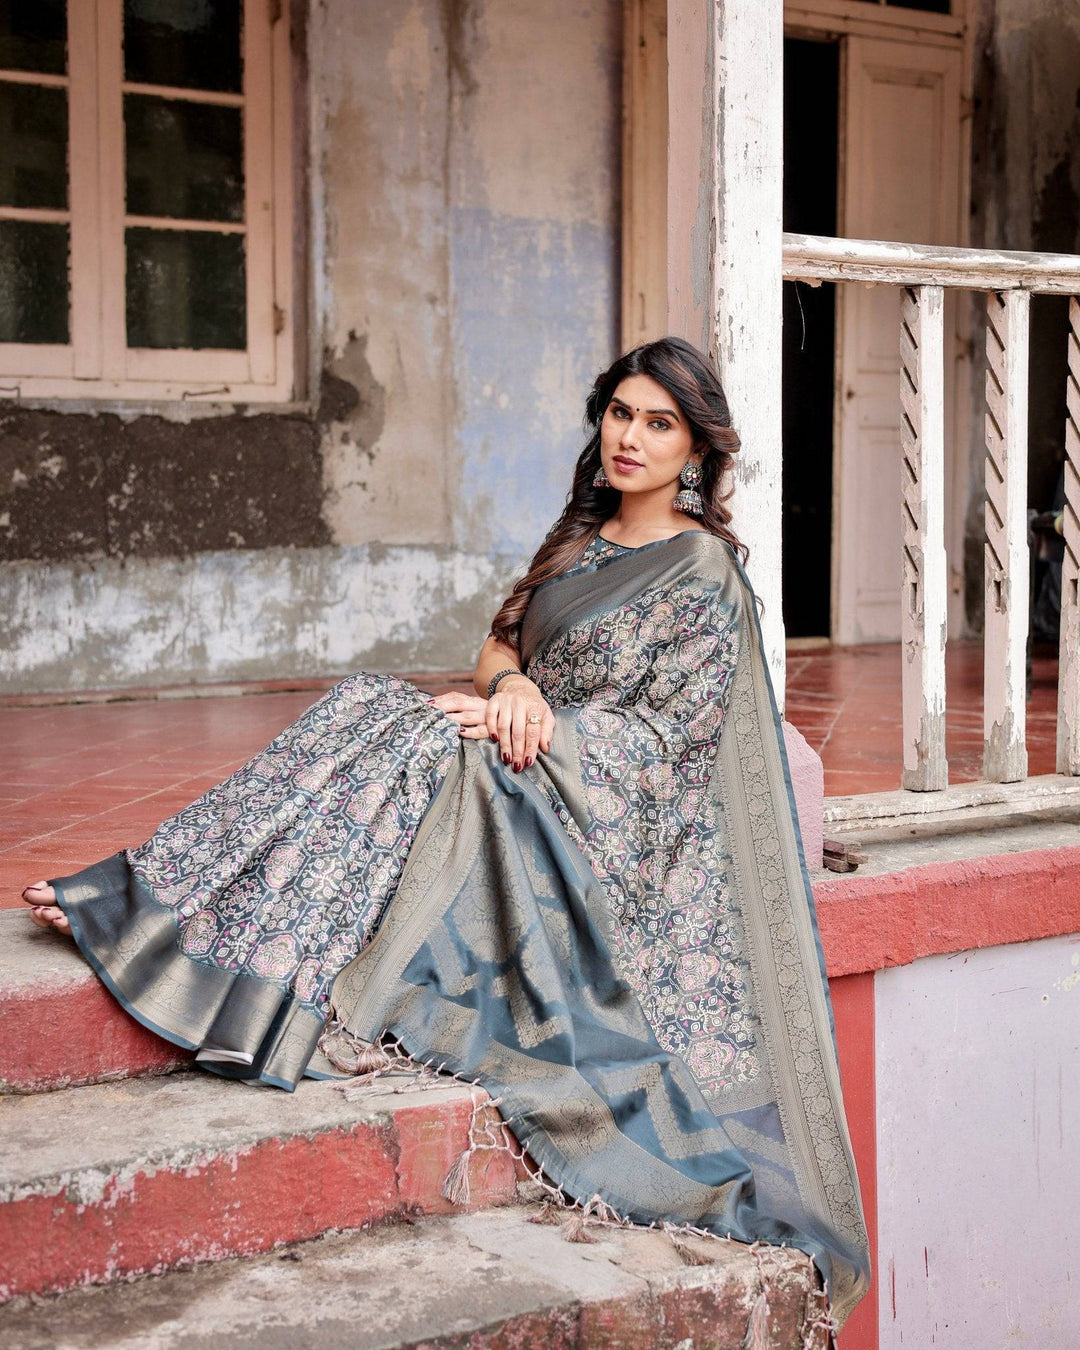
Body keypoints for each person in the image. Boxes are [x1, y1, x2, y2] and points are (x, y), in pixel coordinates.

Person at [21, 337, 869, 1332]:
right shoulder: (581, 538)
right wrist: (508, 689)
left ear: (697, 451)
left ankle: (187, 923)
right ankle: (162, 896)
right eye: (620, 413)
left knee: (419, 738)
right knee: (372, 708)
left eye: (658, 423)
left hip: (589, 813)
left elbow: (670, 741)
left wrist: (547, 729)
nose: (630, 438)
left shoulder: (702, 569)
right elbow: (499, 640)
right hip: (511, 759)